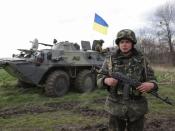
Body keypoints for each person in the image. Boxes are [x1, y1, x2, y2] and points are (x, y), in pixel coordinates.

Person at [97, 29, 158, 131]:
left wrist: (151, 85)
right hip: (115, 106)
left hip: (137, 108)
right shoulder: (110, 59)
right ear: (118, 44)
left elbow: (153, 79)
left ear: (132, 43)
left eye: (127, 42)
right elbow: (99, 78)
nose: (124, 45)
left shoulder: (142, 60)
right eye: (122, 42)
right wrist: (106, 81)